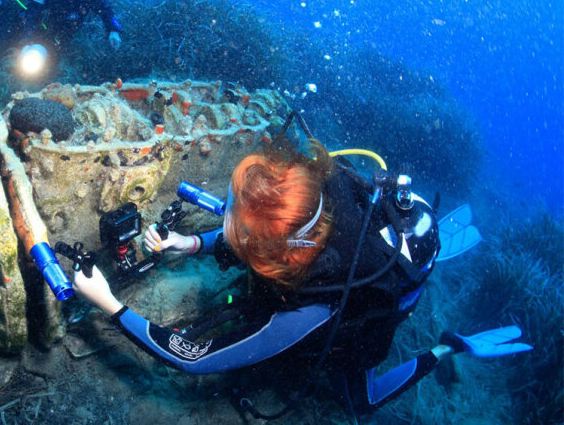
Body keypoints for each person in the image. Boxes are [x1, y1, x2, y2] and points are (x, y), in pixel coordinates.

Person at [72, 138, 531, 417]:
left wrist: (107, 301)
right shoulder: (309, 194)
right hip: (364, 236)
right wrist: (190, 244)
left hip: (373, 295)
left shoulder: (314, 304)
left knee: (361, 404)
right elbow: (255, 230)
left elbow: (195, 359)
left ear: (277, 255)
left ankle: (448, 345)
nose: (227, 218)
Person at [16, 0, 122, 79]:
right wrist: (28, 41)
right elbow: (32, 13)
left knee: (55, 65)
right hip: (41, 26)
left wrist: (113, 30)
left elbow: (106, 11)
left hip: (67, 33)